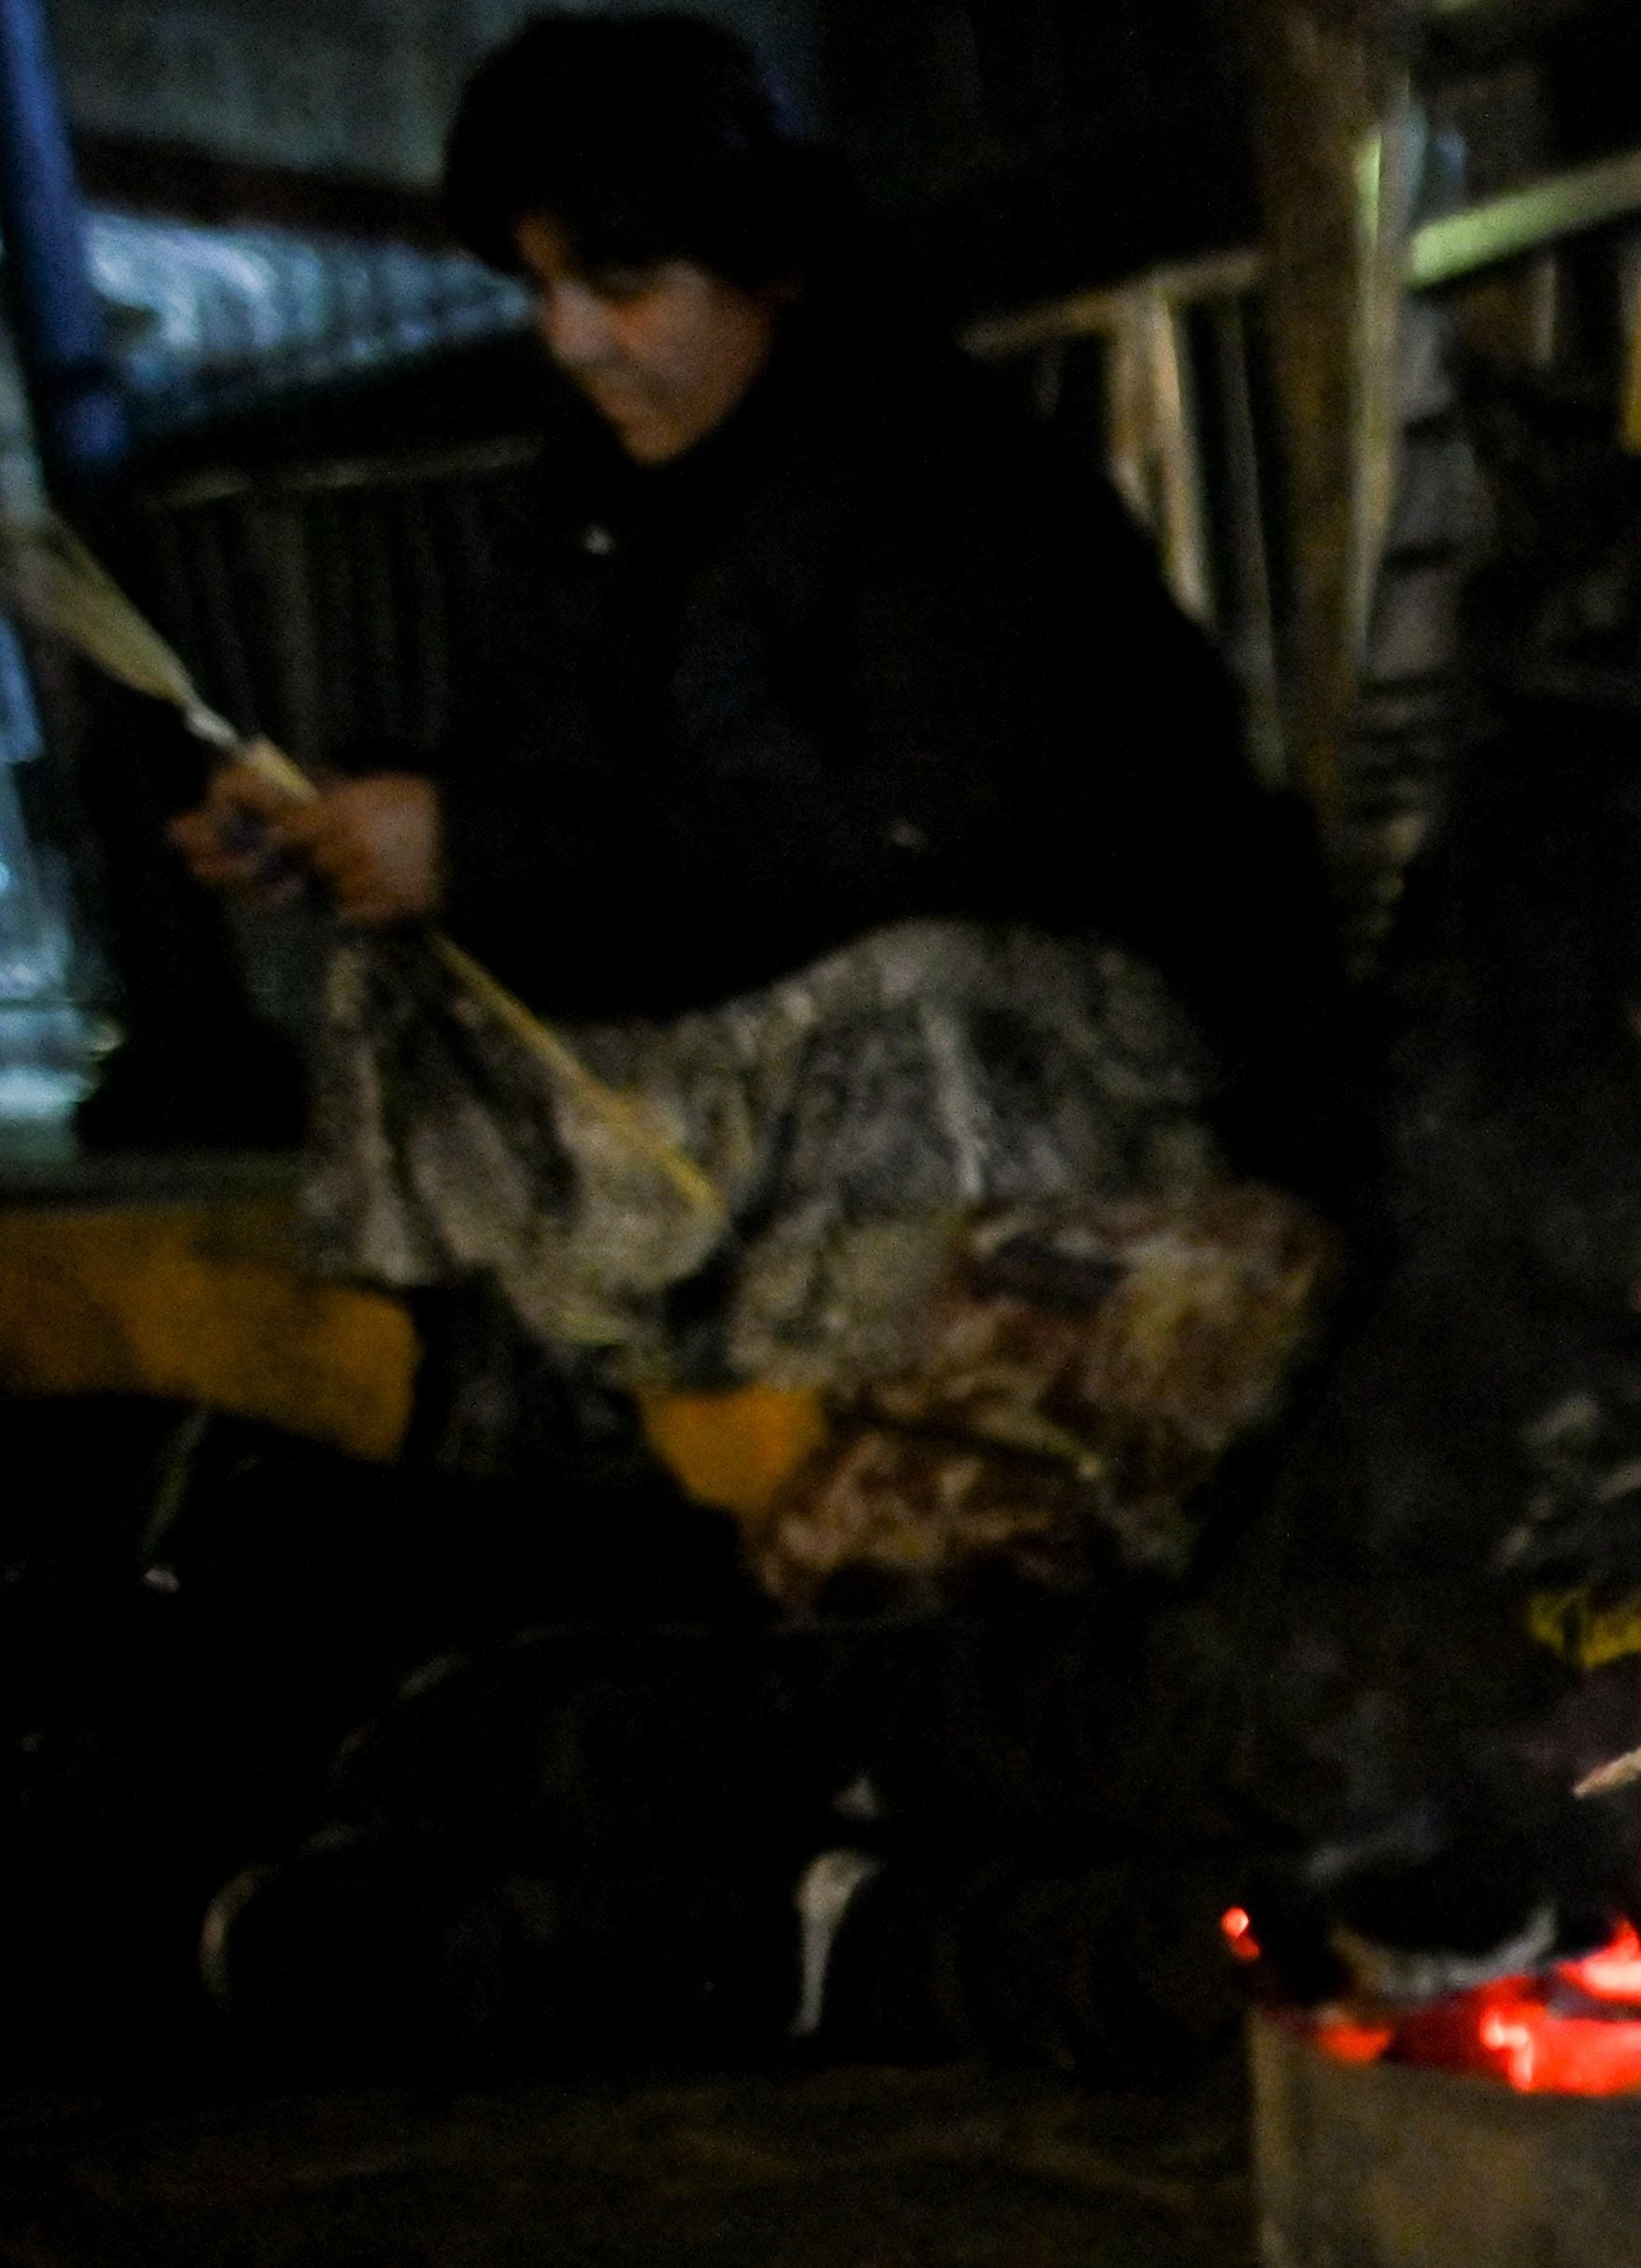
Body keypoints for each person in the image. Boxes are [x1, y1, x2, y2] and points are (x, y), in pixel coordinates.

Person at [166, 11, 1343, 1611]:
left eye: (624, 290)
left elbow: (935, 831)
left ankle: (943, 1415)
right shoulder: (589, 497)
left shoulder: (944, 478)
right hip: (736, 1029)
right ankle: (525, 1406)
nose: (573, 341)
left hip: (1086, 1059)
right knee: (404, 973)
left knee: (918, 978)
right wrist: (350, 821)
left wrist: (492, 848)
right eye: (543, 291)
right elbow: (541, 773)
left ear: (768, 274)